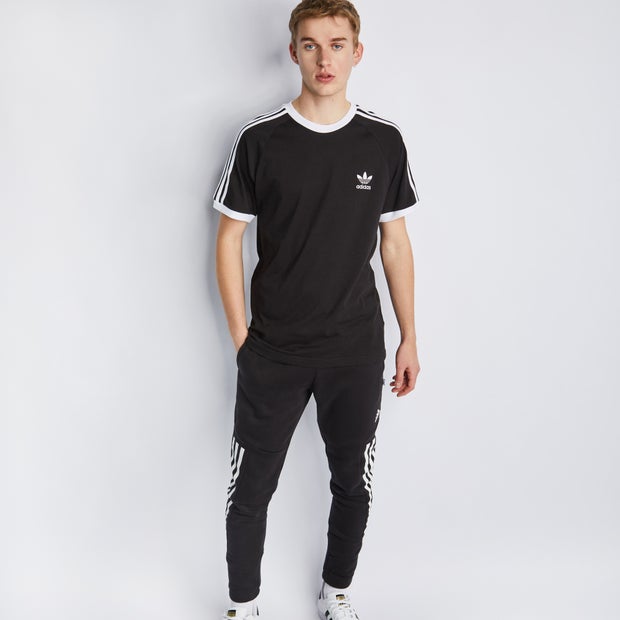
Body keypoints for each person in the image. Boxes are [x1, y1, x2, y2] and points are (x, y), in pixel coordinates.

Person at [213, 1, 420, 617]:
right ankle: (243, 605)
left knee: (352, 482)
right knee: (250, 489)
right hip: (273, 351)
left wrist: (409, 336)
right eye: (310, 45)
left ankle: (335, 594)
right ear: (293, 52)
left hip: (354, 349)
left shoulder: (383, 141)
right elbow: (229, 238)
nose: (324, 59)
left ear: (357, 52)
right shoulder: (259, 140)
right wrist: (243, 339)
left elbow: (395, 242)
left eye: (336, 45)